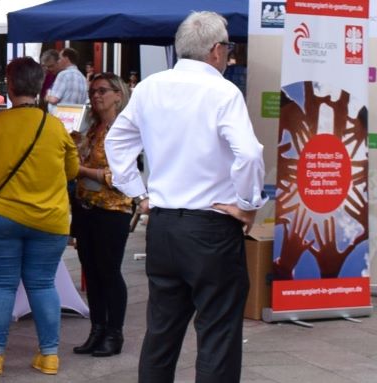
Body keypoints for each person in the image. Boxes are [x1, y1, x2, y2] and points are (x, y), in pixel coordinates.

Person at [104, 11, 267, 383]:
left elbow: (118, 142)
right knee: (217, 334)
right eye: (228, 47)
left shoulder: (150, 87)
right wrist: (247, 204)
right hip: (211, 226)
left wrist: (138, 193)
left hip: (163, 226)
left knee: (161, 333)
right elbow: (249, 154)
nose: (228, 54)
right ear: (215, 51)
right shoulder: (223, 91)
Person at [0, 57, 79, 376]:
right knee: (43, 285)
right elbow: (71, 170)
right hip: (49, 220)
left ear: (9, 86)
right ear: (41, 87)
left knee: (1, 284)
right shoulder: (55, 127)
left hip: (0, 217)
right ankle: (50, 355)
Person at [71, 73, 132, 358]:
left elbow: (120, 176)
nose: (96, 96)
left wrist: (82, 171)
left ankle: (114, 333)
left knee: (109, 271)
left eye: (103, 91)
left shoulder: (125, 130)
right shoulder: (91, 127)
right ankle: (97, 329)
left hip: (113, 210)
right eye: (93, 91)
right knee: (91, 271)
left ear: (118, 95)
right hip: (85, 207)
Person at [45, 47, 88, 112]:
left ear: (66, 59)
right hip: (75, 118)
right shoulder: (83, 78)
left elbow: (54, 99)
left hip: (59, 118)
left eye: (59, 58)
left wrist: (47, 96)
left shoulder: (63, 75)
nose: (58, 61)